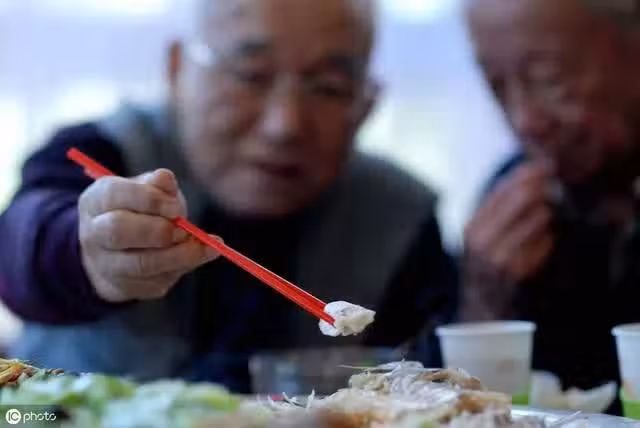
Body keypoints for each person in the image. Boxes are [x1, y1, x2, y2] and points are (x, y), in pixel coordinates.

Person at [0, 0, 457, 392]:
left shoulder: (400, 216)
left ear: (366, 104)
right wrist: (84, 249)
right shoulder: (101, 153)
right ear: (178, 69)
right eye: (251, 75)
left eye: (329, 88)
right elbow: (20, 245)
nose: (285, 124)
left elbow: (433, 378)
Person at [462, 0, 640, 412]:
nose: (524, 119)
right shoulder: (514, 198)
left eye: (549, 79)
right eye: (496, 85)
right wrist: (484, 302)